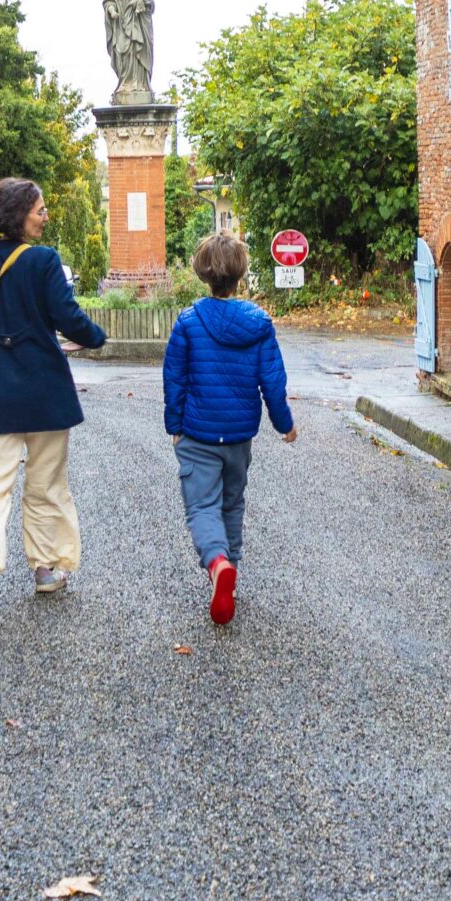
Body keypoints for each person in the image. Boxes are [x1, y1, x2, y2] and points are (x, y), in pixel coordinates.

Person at [0, 177, 109, 618]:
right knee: (45, 486)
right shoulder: (44, 261)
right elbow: (67, 316)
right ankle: (45, 570)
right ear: (21, 213)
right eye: (40, 210)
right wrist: (96, 337)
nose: (46, 216)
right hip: (45, 393)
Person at [161, 232, 294, 625]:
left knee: (202, 505)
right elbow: (273, 381)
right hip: (239, 436)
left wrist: (174, 425)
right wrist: (284, 424)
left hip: (198, 434)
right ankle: (229, 580)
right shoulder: (259, 325)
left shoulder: (188, 322)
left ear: (204, 273)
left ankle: (218, 564)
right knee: (232, 504)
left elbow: (174, 379)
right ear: (240, 274)